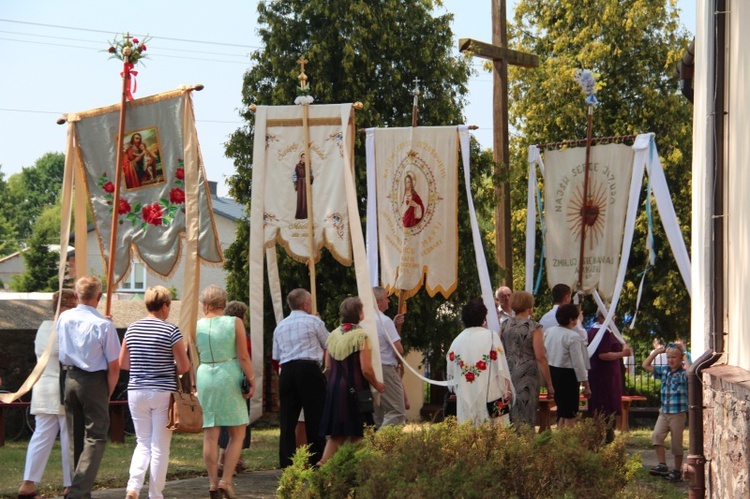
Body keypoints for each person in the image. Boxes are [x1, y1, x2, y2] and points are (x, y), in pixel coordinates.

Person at [119, 286, 190, 499]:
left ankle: (133, 487)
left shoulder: (132, 329)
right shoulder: (171, 330)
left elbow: (123, 363)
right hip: (163, 392)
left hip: (136, 391)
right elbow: (184, 366)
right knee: (160, 446)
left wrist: (144, 367)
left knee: (142, 441)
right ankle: (155, 494)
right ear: (165, 306)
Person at [58, 276, 121, 498]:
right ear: (100, 297)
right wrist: (108, 392)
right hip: (93, 380)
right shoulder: (104, 325)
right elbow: (115, 366)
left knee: (76, 438)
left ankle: (79, 491)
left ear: (76, 296)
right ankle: (77, 492)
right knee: (96, 437)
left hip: (70, 377)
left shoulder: (64, 317)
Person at [196, 286, 256, 499]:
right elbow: (243, 356)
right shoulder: (234, 322)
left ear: (205, 304)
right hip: (229, 374)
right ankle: (226, 480)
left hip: (204, 374)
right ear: (224, 302)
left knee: (210, 433)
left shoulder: (197, 326)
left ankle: (212, 482)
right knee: (238, 432)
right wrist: (251, 379)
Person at [17, 290, 76, 499]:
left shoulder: (44, 328)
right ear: (66, 308)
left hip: (43, 388)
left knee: (41, 437)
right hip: (60, 388)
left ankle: (28, 483)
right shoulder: (65, 330)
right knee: (70, 437)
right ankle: (71, 485)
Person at [318, 297, 386, 465]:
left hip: (335, 387)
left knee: (338, 432)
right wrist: (377, 384)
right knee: (361, 431)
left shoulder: (333, 335)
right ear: (359, 314)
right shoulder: (361, 336)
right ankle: (355, 467)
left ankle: (323, 464)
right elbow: (366, 369)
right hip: (356, 388)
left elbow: (327, 366)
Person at [272, 288, 329, 468]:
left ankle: (286, 462)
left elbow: (276, 355)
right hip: (308, 369)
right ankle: (316, 458)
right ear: (305, 304)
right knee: (315, 415)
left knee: (288, 419)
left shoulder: (280, 326)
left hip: (287, 370)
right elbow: (328, 343)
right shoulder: (314, 322)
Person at [446, 298, 514, 426]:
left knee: (469, 433)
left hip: (466, 394)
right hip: (492, 395)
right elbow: (502, 368)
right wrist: (507, 390)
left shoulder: (457, 341)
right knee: (497, 435)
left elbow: (452, 373)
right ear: (484, 317)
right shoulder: (492, 337)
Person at [500, 291, 553, 427]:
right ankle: (525, 443)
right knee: (526, 415)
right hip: (527, 376)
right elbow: (541, 357)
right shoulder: (534, 327)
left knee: (509, 413)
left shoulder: (505, 325)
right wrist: (549, 384)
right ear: (529, 306)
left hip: (508, 373)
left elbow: (500, 350)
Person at [643, 342, 690, 483]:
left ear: (680, 358)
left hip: (678, 414)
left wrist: (686, 358)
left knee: (676, 444)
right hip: (664, 413)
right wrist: (657, 352)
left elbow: (689, 373)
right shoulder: (664, 371)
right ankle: (662, 465)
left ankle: (676, 471)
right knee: (657, 436)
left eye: (674, 357)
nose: (670, 360)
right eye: (668, 357)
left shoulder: (683, 374)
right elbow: (645, 365)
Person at [217, 301, 252, 475]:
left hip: (221, 377)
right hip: (238, 377)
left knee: (224, 419)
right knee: (238, 420)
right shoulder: (241, 334)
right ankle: (232, 459)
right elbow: (245, 356)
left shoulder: (219, 333)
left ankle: (225, 458)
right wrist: (252, 379)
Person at [543, 304, 591, 428]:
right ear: (571, 319)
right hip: (568, 376)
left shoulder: (549, 331)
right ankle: (567, 440)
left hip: (553, 372)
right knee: (570, 412)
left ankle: (560, 438)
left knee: (562, 410)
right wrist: (586, 385)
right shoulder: (573, 337)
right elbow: (578, 364)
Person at [587, 312, 632, 443]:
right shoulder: (603, 333)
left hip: (599, 375)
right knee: (605, 406)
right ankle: (606, 436)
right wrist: (622, 353)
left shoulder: (593, 330)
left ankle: (603, 434)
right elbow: (603, 354)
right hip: (605, 377)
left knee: (600, 406)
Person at [372, 287, 407, 428]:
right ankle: (380, 445)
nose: (389, 301)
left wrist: (393, 325)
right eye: (386, 298)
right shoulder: (384, 321)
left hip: (370, 369)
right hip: (385, 369)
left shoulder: (364, 319)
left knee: (378, 414)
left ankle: (378, 447)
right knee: (397, 411)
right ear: (379, 301)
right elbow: (399, 350)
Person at [293, 153, 314, 219]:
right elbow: (294, 175)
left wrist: (310, 178)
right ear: (301, 158)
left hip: (306, 183)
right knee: (300, 199)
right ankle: (299, 215)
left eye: (305, 157)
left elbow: (311, 174)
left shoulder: (308, 166)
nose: (304, 159)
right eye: (303, 157)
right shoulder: (297, 166)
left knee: (306, 198)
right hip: (300, 183)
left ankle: (306, 215)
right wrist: (295, 183)